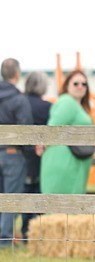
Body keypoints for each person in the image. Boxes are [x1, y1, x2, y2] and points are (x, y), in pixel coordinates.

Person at [38, 70, 95, 195]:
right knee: (63, 208)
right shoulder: (67, 102)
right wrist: (42, 144)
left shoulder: (78, 105)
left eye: (84, 84)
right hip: (65, 161)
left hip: (74, 162)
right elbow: (52, 127)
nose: (80, 86)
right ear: (67, 85)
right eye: (76, 83)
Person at [0, 58, 33, 246]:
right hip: (12, 153)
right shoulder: (19, 99)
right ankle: (4, 241)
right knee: (11, 198)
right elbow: (26, 131)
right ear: (17, 74)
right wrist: (32, 151)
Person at [18, 71, 51, 242]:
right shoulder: (46, 107)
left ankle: (24, 232)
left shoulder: (19, 102)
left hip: (22, 155)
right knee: (38, 194)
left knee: (23, 194)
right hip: (40, 157)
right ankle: (35, 233)